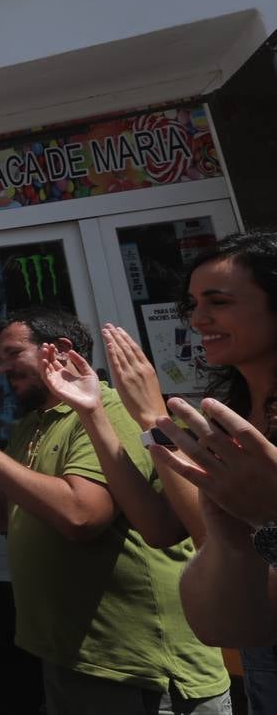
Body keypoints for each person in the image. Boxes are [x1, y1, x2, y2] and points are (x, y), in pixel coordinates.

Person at [0, 307, 230, 714]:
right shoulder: (31, 425)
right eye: (0, 358)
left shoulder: (107, 411)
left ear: (60, 349)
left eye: (12, 353)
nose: (3, 368)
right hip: (70, 655)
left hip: (133, 665)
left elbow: (82, 515)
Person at [143, 230, 277, 712]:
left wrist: (269, 521)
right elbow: (224, 627)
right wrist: (232, 536)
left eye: (218, 302)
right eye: (193, 304)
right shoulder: (228, 416)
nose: (199, 320)